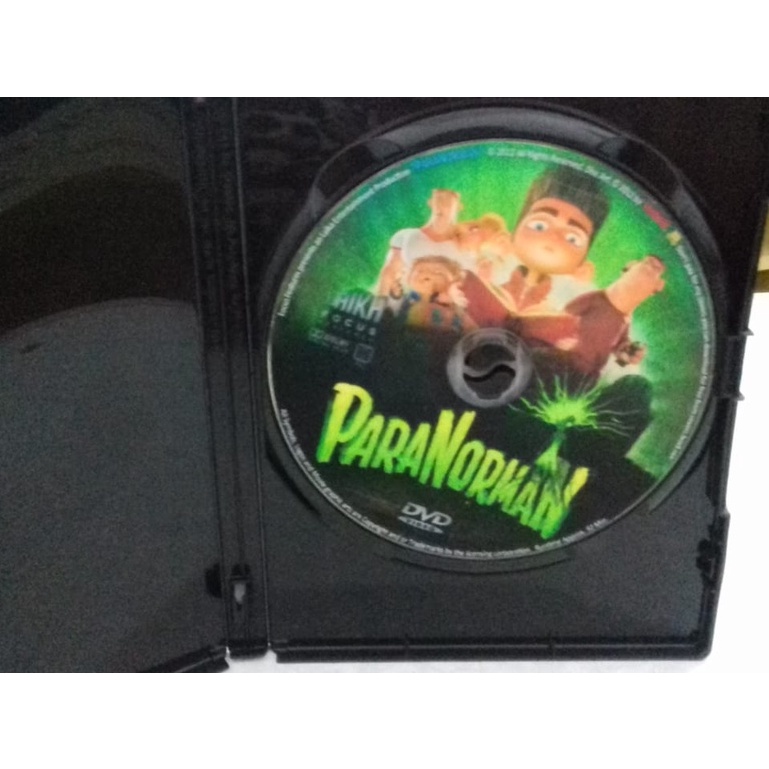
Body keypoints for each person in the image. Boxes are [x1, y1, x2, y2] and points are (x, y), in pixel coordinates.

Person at [376, 189, 473, 298]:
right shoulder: (406, 236)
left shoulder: (469, 246)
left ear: (459, 206)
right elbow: (390, 272)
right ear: (430, 203)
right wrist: (380, 302)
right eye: (439, 199)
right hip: (412, 301)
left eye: (448, 201)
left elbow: (475, 281)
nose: (442, 205)